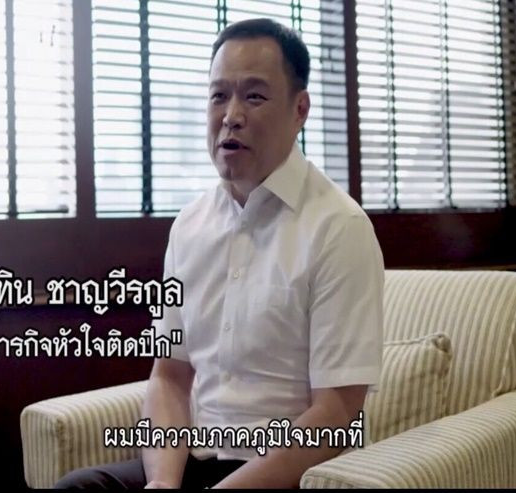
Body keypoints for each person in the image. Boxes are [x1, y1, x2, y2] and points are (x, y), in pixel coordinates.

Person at [55, 17, 383, 490]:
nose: (231, 115)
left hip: (291, 473)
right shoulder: (189, 226)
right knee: (81, 488)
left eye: (254, 96)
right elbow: (170, 377)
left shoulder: (339, 227)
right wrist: (162, 484)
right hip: (196, 461)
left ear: (300, 110)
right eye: (218, 96)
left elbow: (336, 413)